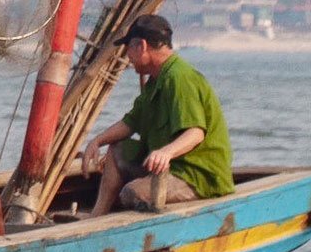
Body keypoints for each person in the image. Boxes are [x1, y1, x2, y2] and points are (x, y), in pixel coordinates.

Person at [81, 13, 233, 215]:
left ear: (141, 46)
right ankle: (96, 217)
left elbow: (195, 133)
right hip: (167, 169)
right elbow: (130, 122)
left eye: (129, 50)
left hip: (195, 177)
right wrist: (97, 141)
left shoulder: (179, 78)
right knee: (117, 149)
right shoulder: (155, 80)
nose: (128, 58)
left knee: (131, 192)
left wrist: (166, 152)